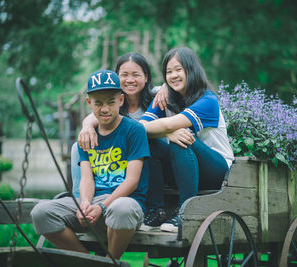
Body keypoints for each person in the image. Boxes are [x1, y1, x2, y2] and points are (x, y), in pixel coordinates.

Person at [31, 70, 150, 260]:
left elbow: (132, 181)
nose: (104, 109)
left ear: (121, 100)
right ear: (89, 103)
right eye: (98, 103)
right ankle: (89, 262)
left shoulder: (134, 130)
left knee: (122, 209)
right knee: (40, 213)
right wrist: (84, 202)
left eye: (111, 102)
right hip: (94, 201)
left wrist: (102, 207)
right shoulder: (86, 137)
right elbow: (86, 178)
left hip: (124, 202)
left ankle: (111, 261)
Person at [140, 47, 234, 233]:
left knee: (181, 135)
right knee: (146, 141)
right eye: (168, 72)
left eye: (178, 69)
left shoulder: (208, 100)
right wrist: (167, 133)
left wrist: (168, 131)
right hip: (182, 170)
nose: (173, 75)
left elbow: (170, 126)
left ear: (191, 71)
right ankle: (156, 210)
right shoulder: (164, 99)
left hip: (217, 172)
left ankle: (185, 212)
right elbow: (140, 127)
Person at [73, 52, 157, 198]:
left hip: (149, 154)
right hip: (122, 153)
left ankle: (153, 203)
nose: (130, 80)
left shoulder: (157, 96)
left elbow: (170, 91)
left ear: (146, 77)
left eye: (135, 75)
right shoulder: (110, 105)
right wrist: (86, 127)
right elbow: (95, 115)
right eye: (124, 75)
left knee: (146, 144)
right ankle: (80, 198)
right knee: (77, 147)